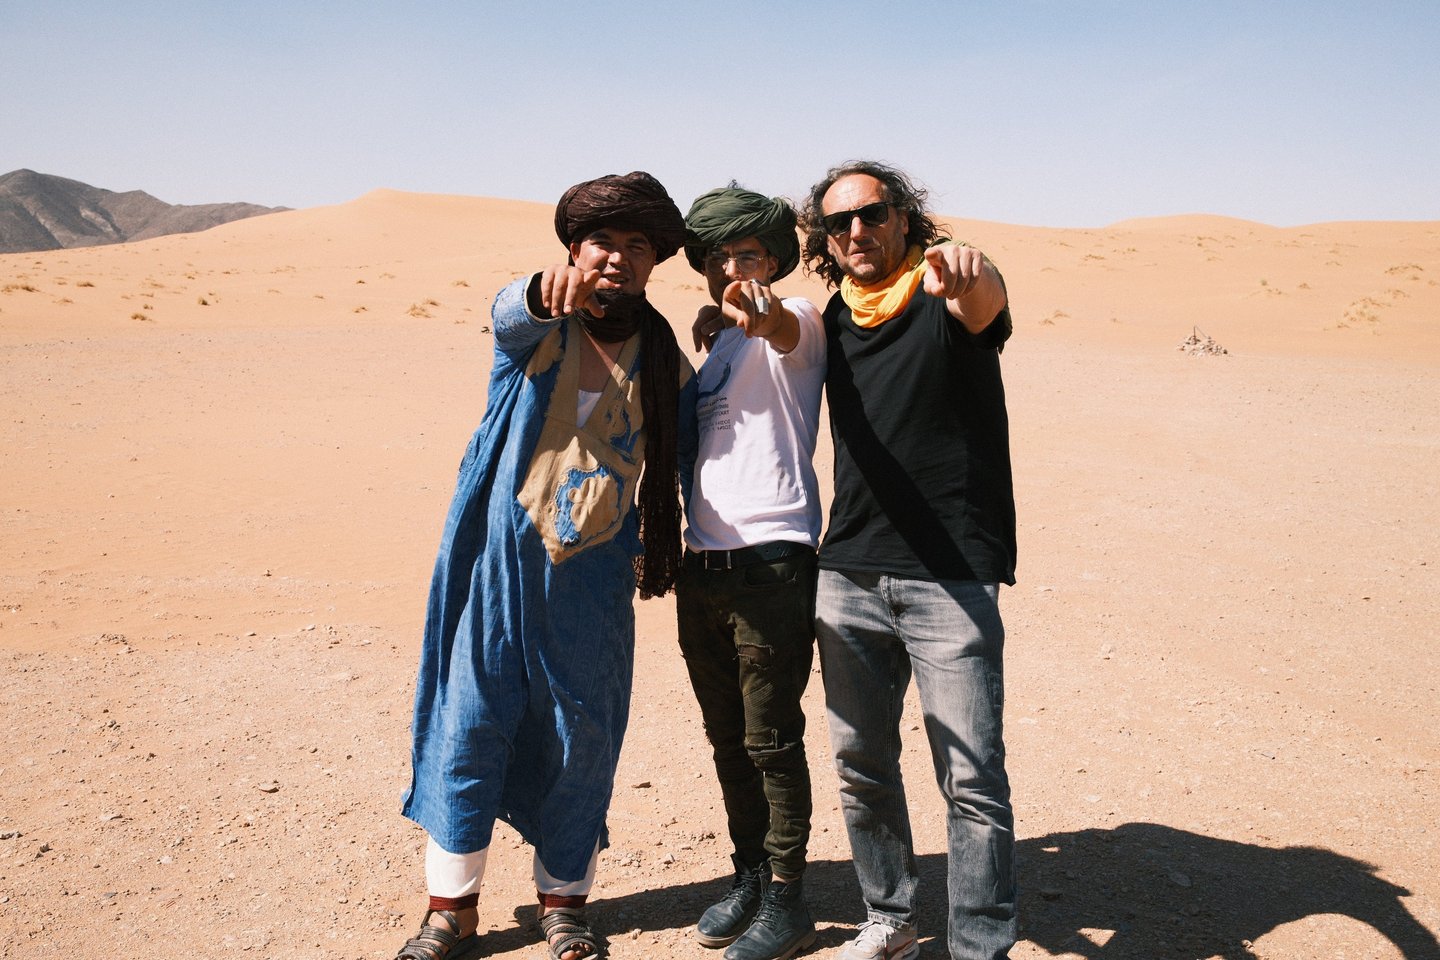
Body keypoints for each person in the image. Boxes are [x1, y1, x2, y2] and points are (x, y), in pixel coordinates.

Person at [394, 171, 696, 960]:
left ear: (654, 261)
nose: (618, 258)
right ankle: (450, 913)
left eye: (638, 245)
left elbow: (702, 451)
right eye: (603, 241)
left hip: (594, 585)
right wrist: (537, 292)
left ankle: (564, 905)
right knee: (469, 730)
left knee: (580, 742)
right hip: (494, 576)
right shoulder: (536, 332)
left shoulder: (665, 363)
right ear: (573, 251)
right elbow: (508, 309)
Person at [799, 161, 1018, 960]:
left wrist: (972, 270)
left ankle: (980, 946)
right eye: (839, 222)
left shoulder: (942, 291)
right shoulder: (834, 317)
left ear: (903, 218)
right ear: (826, 240)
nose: (856, 230)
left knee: (972, 778)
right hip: (848, 571)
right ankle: (890, 919)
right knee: (861, 763)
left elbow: (983, 301)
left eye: (872, 213)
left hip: (950, 575)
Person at [675, 186, 826, 960]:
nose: (732, 269)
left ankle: (790, 901)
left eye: (747, 255)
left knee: (771, 741)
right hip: (702, 566)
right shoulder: (722, 348)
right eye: (718, 258)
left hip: (771, 562)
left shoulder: (794, 321)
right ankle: (753, 876)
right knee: (727, 740)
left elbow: (777, 323)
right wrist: (722, 324)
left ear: (772, 262)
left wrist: (756, 310)